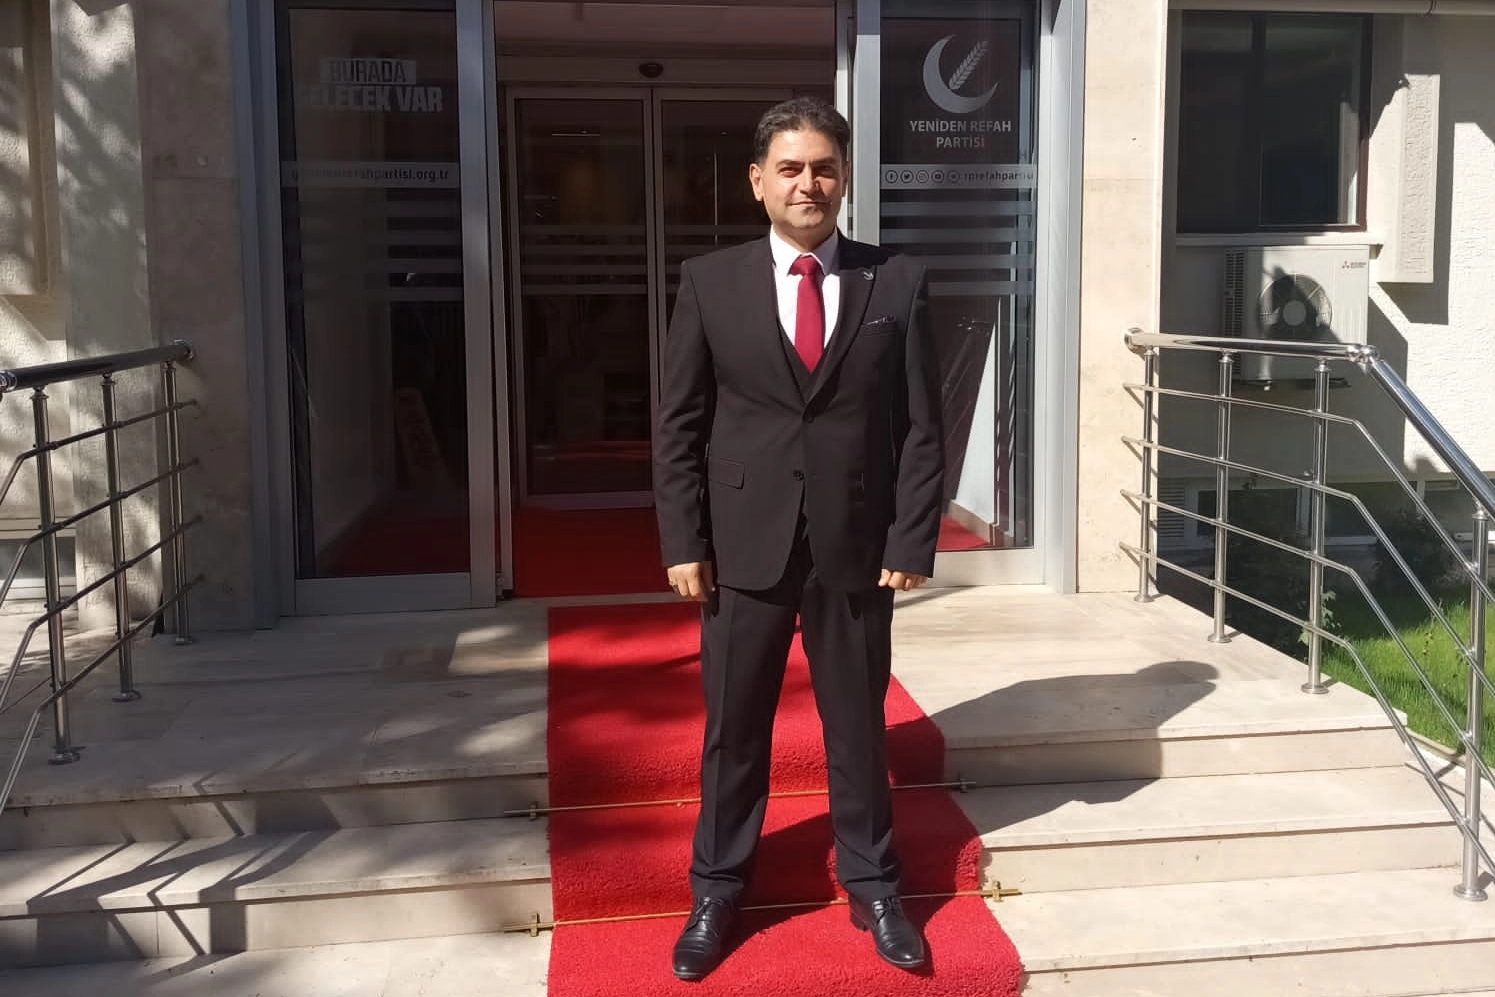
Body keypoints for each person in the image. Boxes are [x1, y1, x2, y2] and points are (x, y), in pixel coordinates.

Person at [653, 96, 944, 982]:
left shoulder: (897, 281)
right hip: (742, 547)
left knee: (856, 727)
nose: (807, 183)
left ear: (844, 178)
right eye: (789, 168)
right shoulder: (709, 282)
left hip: (855, 545)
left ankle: (874, 886)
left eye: (823, 167)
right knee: (734, 731)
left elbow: (922, 428)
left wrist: (911, 538)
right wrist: (683, 538)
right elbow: (678, 423)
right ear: (757, 182)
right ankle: (716, 889)